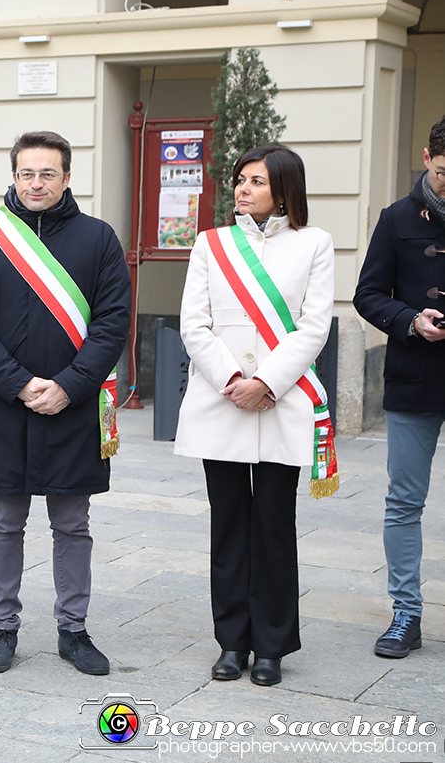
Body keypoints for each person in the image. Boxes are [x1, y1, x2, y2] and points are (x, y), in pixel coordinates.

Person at [0, 131, 131, 676]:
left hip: (72, 405)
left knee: (73, 521)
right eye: (26, 173)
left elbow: (112, 322)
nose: (36, 183)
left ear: (68, 178)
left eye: (47, 174)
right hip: (5, 405)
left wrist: (70, 385)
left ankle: (73, 632)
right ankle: (2, 628)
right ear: (13, 176)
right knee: (4, 519)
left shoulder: (99, 239)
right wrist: (20, 383)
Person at [174, 145, 335, 687]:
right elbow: (194, 324)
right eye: (240, 180)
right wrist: (233, 381)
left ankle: (271, 646)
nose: (242, 189)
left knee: (272, 524)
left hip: (281, 398)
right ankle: (232, 642)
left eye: (256, 181)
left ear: (285, 188)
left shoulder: (315, 244)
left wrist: (266, 381)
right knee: (228, 525)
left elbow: (314, 326)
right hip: (222, 399)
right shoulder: (211, 244)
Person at [353, 114, 445, 661]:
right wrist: (411, 320)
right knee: (404, 501)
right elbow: (368, 295)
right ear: (430, 158)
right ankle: (405, 613)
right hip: (416, 374)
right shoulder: (394, 218)